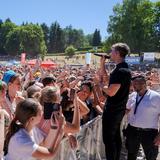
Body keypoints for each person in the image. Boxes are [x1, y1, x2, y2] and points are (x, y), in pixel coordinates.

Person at [98, 43, 131, 160]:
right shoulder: (121, 69)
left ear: (117, 53)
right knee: (115, 137)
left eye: (112, 51)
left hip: (113, 110)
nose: (109, 53)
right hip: (117, 110)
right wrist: (102, 64)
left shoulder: (121, 71)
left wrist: (101, 85)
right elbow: (107, 78)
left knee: (109, 140)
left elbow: (111, 92)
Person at [125, 75, 160, 160]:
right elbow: (126, 110)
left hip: (149, 133)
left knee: (151, 157)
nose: (134, 86)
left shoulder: (156, 97)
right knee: (131, 155)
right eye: (133, 84)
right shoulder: (133, 95)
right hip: (132, 131)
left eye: (137, 83)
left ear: (144, 84)